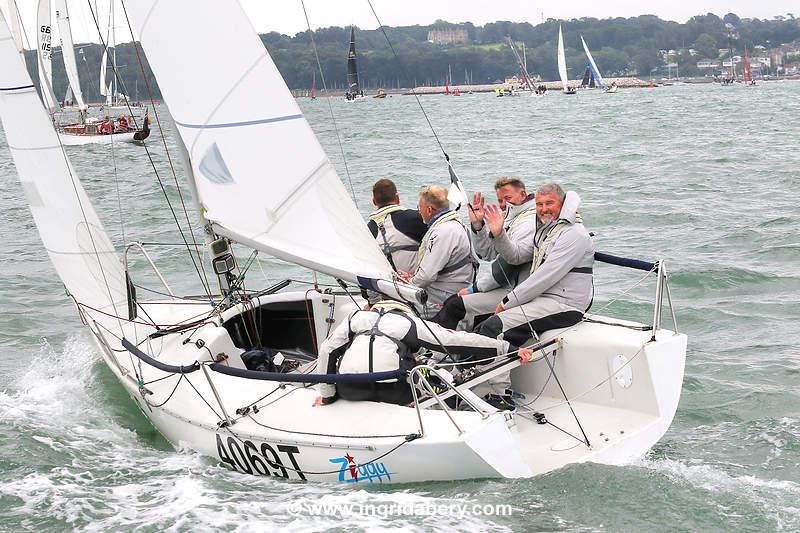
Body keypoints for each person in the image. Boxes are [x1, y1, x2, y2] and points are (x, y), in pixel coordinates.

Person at [313, 300, 534, 406]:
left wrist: (328, 395)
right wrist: (509, 349)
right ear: (403, 312)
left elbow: (327, 350)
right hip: (394, 393)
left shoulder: (355, 317)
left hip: (350, 390)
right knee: (426, 372)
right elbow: (458, 340)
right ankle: (421, 404)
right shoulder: (411, 324)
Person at [475, 183, 594, 347]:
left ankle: (482, 371)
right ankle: (466, 369)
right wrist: (498, 234)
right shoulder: (547, 231)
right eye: (539, 204)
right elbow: (515, 256)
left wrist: (506, 303)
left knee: (493, 328)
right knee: (481, 327)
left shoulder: (573, 233)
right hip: (542, 301)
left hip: (564, 306)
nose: (544, 209)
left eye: (549, 203)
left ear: (563, 203)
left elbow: (544, 277)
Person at [433, 177, 536, 331]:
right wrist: (478, 225)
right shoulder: (512, 217)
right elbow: (487, 254)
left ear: (522, 195)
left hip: (517, 290)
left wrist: (474, 288)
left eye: (508, 198)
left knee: (455, 305)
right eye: (500, 200)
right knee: (453, 300)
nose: (503, 204)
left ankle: (439, 348)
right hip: (505, 284)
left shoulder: (529, 222)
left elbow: (510, 263)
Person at [398, 186, 473, 315]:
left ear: (429, 210)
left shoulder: (442, 232)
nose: (419, 211)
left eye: (419, 207)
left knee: (396, 303)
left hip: (443, 296)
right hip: (456, 286)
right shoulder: (456, 224)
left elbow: (427, 276)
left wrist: (408, 284)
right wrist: (414, 278)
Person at [367, 179, 427, 274]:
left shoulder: (368, 230)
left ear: (374, 202)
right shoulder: (414, 218)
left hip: (386, 284)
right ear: (397, 198)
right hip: (416, 282)